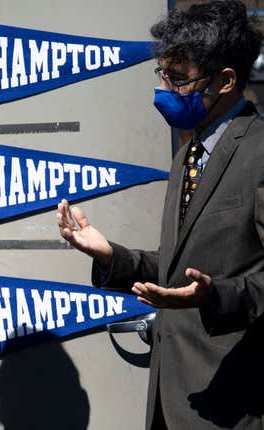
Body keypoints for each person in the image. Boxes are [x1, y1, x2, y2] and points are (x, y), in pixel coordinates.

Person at [57, 1, 264, 429]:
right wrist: (111, 256)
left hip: (236, 403)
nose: (165, 88)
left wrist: (217, 296)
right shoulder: (189, 153)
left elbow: (218, 286)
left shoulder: (259, 150)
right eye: (163, 74)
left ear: (226, 80)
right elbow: (179, 271)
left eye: (180, 78)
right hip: (170, 402)